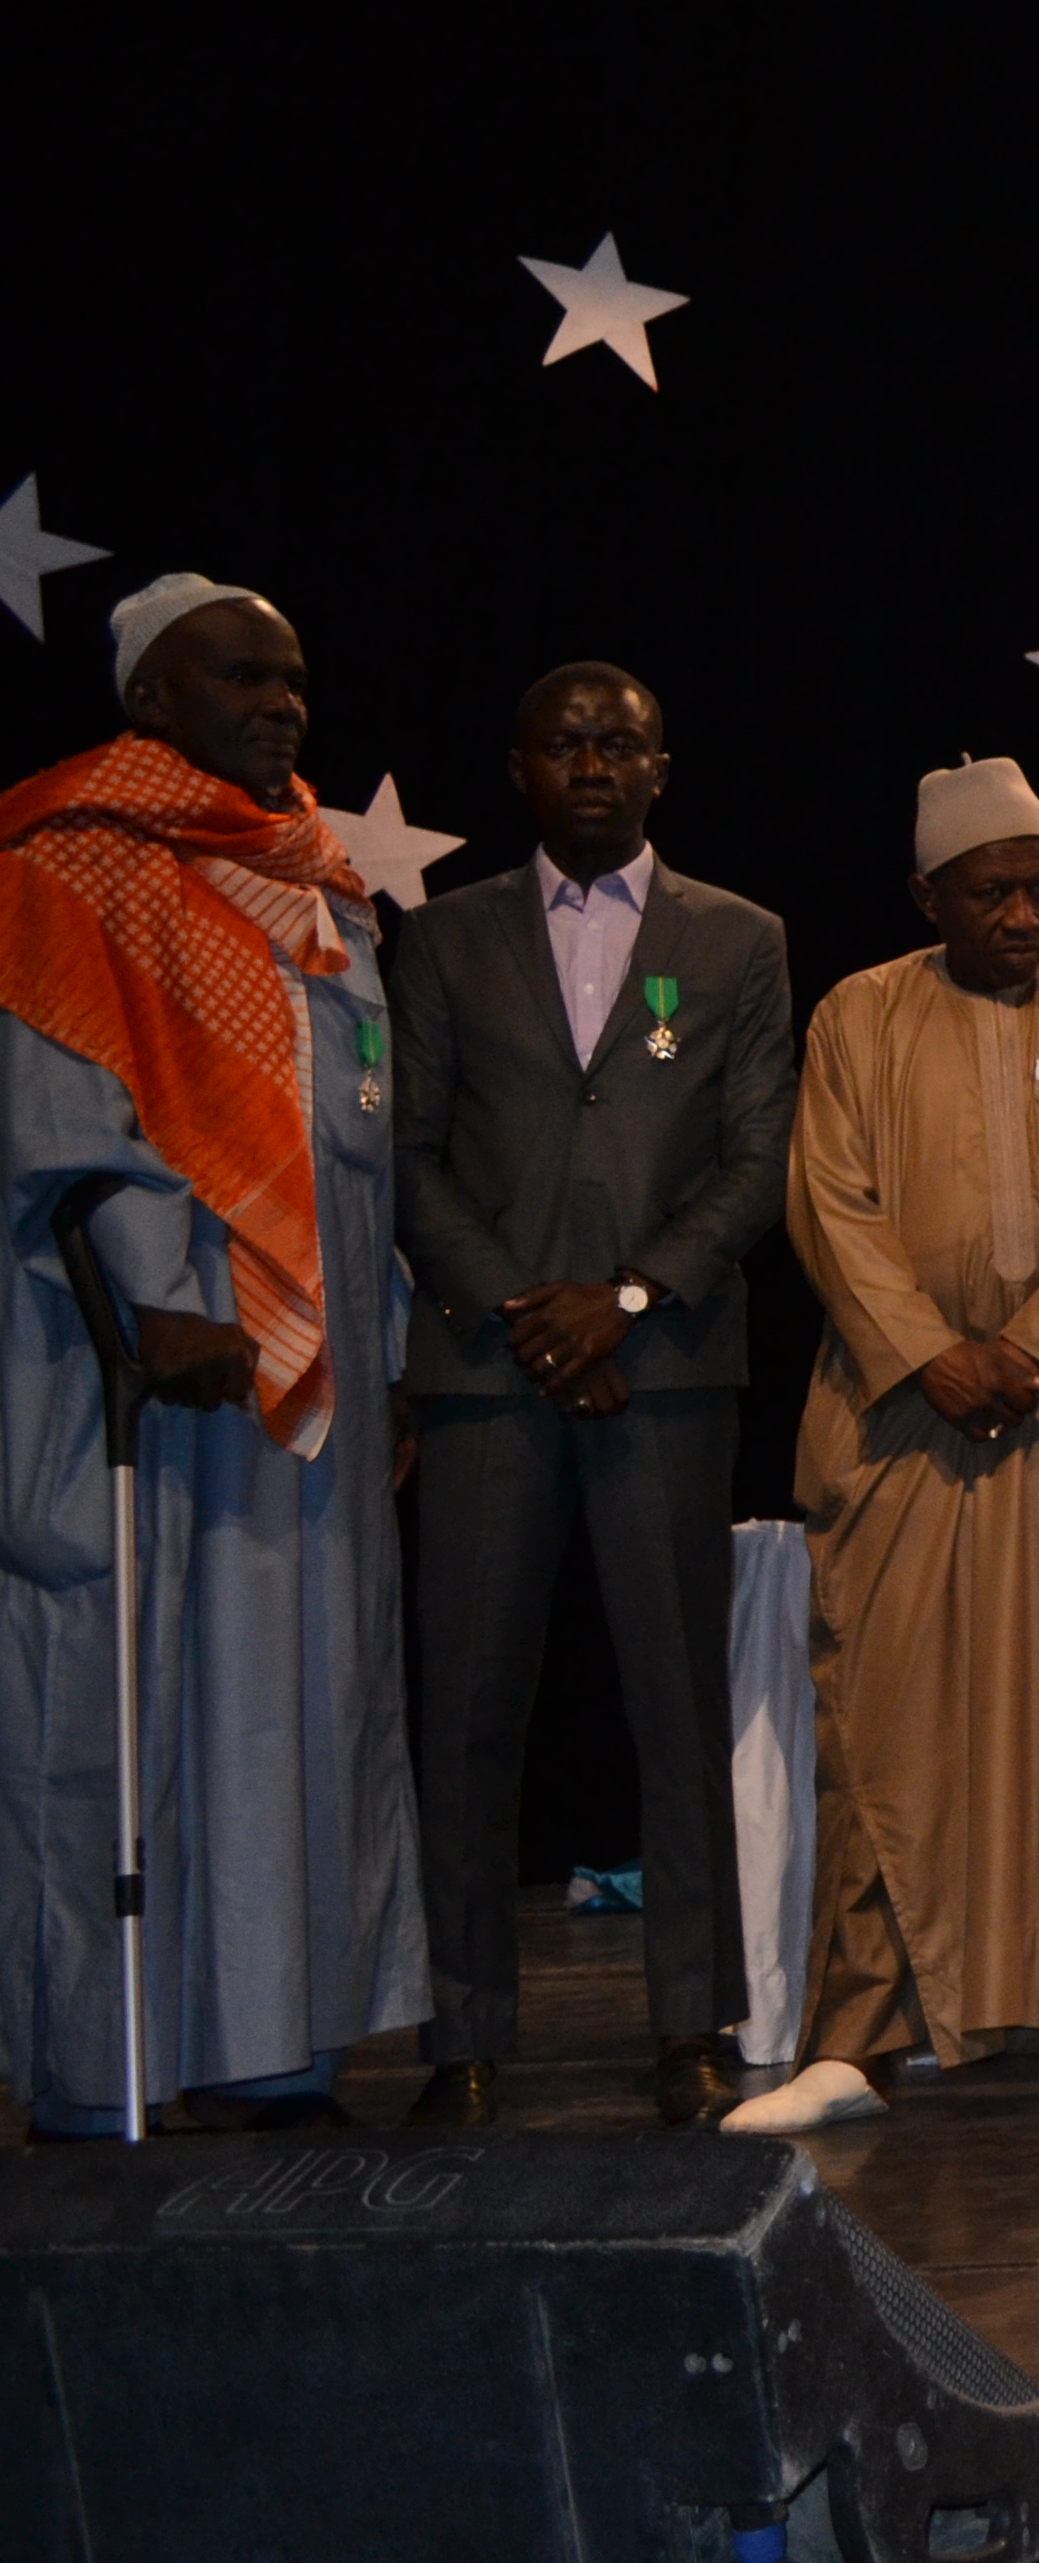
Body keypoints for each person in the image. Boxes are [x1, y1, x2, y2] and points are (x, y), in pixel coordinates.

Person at [0, 574, 424, 2137]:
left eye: (294, 681)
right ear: (149, 706)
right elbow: (69, 1117)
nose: (279, 706)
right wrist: (166, 1286)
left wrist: (371, 1348)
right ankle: (108, 2063)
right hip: (152, 1371)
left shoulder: (319, 881)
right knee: (148, 1709)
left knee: (303, 1716)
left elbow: (358, 1154)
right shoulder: (70, 867)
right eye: (238, 678)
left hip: (316, 1384)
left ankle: (275, 2052)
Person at [724, 760, 1039, 2135]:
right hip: (902, 1416)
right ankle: (854, 2044)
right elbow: (831, 1201)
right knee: (884, 1714)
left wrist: (1036, 1348)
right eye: (992, 894)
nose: (1025, 916)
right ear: (928, 896)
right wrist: (929, 1351)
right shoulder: (861, 1014)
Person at [394, 659, 793, 2125]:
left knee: (673, 1705)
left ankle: (690, 2023)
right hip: (492, 1377)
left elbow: (758, 1160)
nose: (593, 767)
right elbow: (410, 1159)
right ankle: (461, 2032)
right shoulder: (439, 941)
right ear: (518, 767)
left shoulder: (738, 941)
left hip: (668, 1372)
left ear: (662, 769)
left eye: (620, 744)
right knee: (472, 1710)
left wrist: (624, 1300)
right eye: (564, 745)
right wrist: (526, 1313)